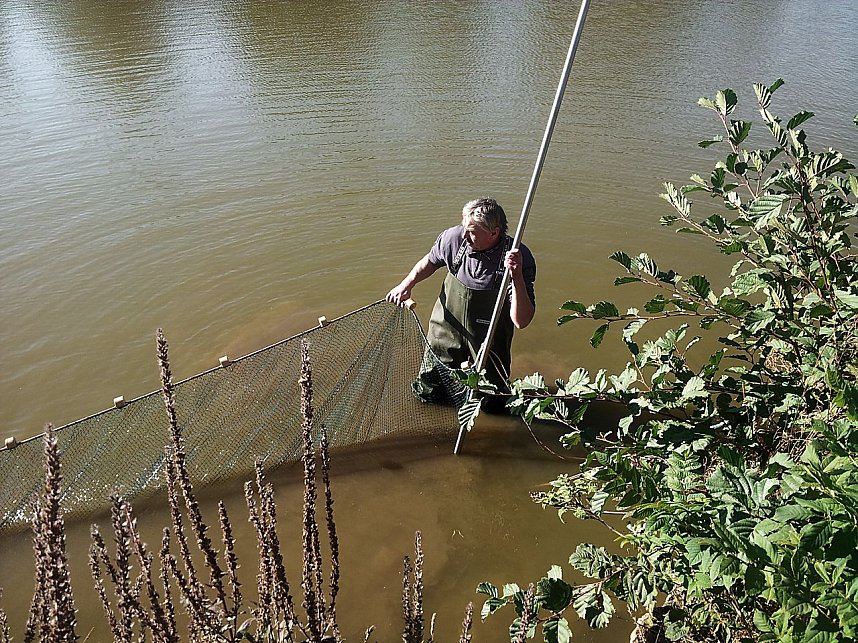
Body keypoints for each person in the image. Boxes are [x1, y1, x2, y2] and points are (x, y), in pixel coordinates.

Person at [386, 197, 536, 409]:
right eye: (464, 227)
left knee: (491, 397)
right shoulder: (454, 238)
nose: (464, 235)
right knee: (432, 384)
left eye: (472, 232)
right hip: (447, 325)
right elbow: (429, 262)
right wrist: (406, 285)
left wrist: (517, 276)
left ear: (494, 232)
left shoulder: (518, 257)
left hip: (489, 336)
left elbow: (522, 320)